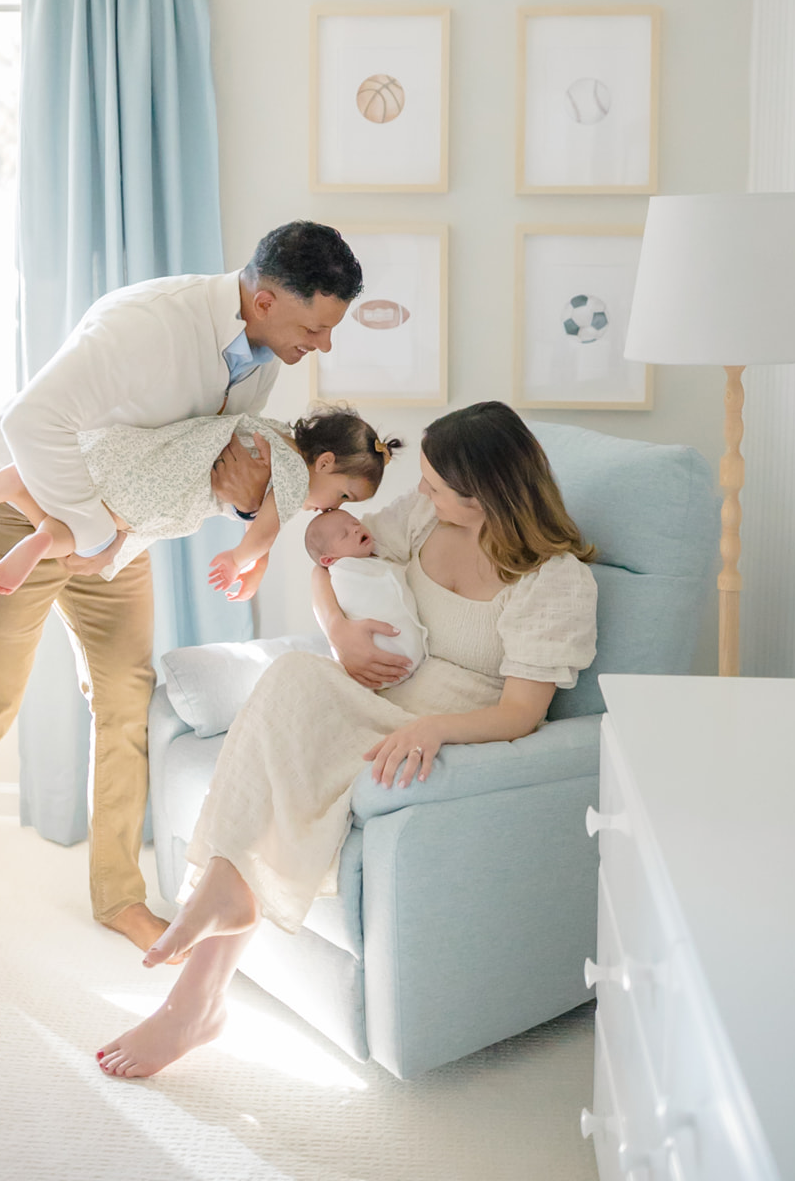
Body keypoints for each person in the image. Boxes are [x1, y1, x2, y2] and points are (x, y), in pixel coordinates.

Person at [0, 221, 363, 973]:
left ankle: (116, 894)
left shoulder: (265, 356)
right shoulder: (146, 324)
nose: (322, 346)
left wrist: (241, 513)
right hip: (29, 511)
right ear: (264, 298)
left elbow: (207, 465)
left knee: (125, 703)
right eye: (315, 326)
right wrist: (81, 534)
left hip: (120, 531)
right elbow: (30, 421)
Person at [96, 400, 599, 1079]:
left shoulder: (555, 581)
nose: (417, 493)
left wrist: (432, 727)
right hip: (373, 693)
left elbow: (521, 714)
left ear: (483, 497)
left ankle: (194, 996)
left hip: (448, 724)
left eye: (434, 485)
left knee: (285, 775)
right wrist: (336, 631)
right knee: (295, 677)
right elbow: (327, 563)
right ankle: (214, 933)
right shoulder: (424, 519)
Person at [0, 408, 402, 599]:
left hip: (134, 454)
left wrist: (258, 563)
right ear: (324, 462)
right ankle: (43, 536)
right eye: (344, 495)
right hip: (158, 491)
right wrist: (238, 559)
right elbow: (265, 530)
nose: (333, 508)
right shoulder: (294, 473)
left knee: (85, 520)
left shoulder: (273, 433)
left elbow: (260, 521)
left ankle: (22, 485)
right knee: (90, 537)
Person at [303, 507, 427, 682]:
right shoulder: (342, 571)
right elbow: (319, 572)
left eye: (356, 523)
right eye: (344, 534)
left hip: (409, 653)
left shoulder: (374, 560)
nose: (356, 529)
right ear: (329, 560)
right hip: (374, 651)